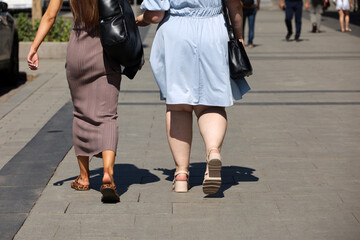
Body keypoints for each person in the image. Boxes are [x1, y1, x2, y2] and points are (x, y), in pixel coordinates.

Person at [135, 0, 250, 195]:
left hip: (176, 34)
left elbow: (155, 14)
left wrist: (142, 19)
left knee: (178, 106)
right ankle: (213, 151)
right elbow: (235, 6)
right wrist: (239, 36)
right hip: (213, 31)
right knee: (211, 105)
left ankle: (181, 174)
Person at [27, 0, 123, 203]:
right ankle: (107, 175)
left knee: (80, 112)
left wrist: (34, 47)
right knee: (107, 116)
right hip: (106, 49)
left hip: (77, 49)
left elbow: (50, 16)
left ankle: (84, 177)